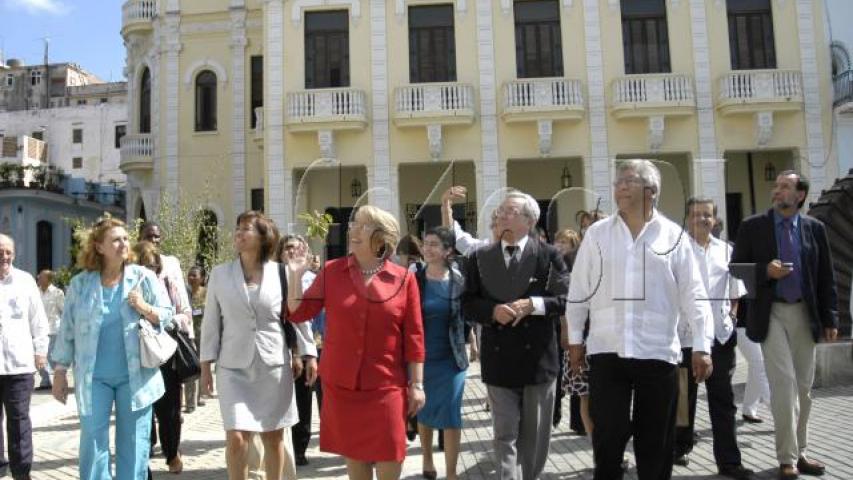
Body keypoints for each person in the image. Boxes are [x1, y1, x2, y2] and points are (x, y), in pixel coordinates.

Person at [566, 160, 714, 480]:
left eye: (629, 180)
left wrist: (702, 345)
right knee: (608, 435)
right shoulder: (597, 235)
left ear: (652, 190)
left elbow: (694, 294)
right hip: (607, 349)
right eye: (618, 180)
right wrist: (575, 340)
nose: (620, 185)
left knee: (656, 441)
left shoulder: (674, 236)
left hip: (657, 350)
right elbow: (579, 290)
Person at [286, 205, 425, 480]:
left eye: (363, 225)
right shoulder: (331, 272)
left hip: (387, 386)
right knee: (356, 468)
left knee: (390, 459)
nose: (353, 230)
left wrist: (417, 385)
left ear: (382, 237)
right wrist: (294, 275)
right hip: (343, 387)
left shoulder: (404, 279)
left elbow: (414, 337)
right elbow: (299, 312)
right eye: (354, 224)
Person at [730, 171, 839, 480]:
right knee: (784, 383)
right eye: (776, 186)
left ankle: (801, 451)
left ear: (799, 196)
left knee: (804, 388)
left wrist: (831, 317)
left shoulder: (815, 229)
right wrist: (766, 271)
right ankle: (786, 458)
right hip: (771, 313)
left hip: (806, 313)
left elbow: (826, 275)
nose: (777, 191)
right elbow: (736, 267)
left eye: (785, 187)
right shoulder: (754, 227)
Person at [50, 216, 175, 480]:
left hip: (137, 376)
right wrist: (60, 372)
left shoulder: (144, 277)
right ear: (99, 247)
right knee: (93, 443)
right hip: (93, 377)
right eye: (116, 240)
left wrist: (144, 307)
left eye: (126, 238)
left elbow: (167, 314)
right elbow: (67, 331)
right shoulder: (80, 284)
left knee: (134, 442)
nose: (123, 244)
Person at [462, 190, 569, 480]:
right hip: (499, 361)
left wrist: (534, 305)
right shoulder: (480, 257)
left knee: (533, 439)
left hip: (538, 363)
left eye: (509, 211)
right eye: (500, 211)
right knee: (504, 434)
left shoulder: (549, 256)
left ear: (528, 220)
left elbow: (567, 298)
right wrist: (491, 311)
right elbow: (467, 303)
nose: (501, 215)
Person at [199, 211, 305, 480]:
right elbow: (210, 323)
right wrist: (204, 366)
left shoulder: (281, 273)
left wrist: (307, 353)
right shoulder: (220, 274)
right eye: (237, 228)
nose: (239, 233)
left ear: (263, 236)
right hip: (232, 367)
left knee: (273, 437)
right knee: (236, 437)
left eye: (246, 229)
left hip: (273, 366)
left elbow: (297, 315)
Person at [672, 198, 753, 479]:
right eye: (696, 214)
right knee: (683, 396)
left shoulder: (727, 251)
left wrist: (731, 315)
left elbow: (736, 292)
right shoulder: (677, 250)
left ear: (716, 220)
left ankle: (729, 461)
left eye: (707, 215)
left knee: (723, 399)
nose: (702, 219)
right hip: (685, 335)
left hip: (719, 336)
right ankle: (679, 447)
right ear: (687, 218)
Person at [133, 241, 193, 474]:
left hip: (163, 352)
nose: (150, 271)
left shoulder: (164, 284)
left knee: (170, 409)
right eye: (145, 265)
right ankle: (143, 456)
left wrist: (148, 311)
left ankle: (171, 452)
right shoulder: (126, 284)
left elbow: (175, 315)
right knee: (142, 407)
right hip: (135, 355)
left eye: (154, 267)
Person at [415, 227, 468, 480]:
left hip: (452, 358)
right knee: (424, 409)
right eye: (426, 244)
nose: (428, 248)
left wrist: (474, 340)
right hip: (422, 358)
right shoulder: (415, 280)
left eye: (434, 244)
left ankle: (451, 472)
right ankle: (426, 458)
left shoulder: (459, 280)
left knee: (451, 412)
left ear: (448, 250)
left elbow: (465, 315)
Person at [0, 234, 48, 480]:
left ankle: (22, 472)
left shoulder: (25, 281)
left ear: (14, 254)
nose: (4, 256)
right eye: (0, 251)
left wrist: (41, 352)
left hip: (18, 365)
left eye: (7, 251)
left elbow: (38, 320)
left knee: (19, 421)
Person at [276, 234, 319, 467]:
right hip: (276, 350)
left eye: (296, 248)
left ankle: (300, 448)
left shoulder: (312, 280)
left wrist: (310, 353)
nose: (291, 252)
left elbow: (313, 320)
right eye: (287, 248)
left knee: (303, 402)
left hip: (304, 347)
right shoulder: (271, 277)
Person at [735, 301, 770, 423]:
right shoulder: (737, 281)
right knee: (760, 367)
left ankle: (748, 410)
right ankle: (780, 415)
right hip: (740, 327)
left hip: (754, 327)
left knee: (755, 368)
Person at [36, 269, 65, 391]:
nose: (38, 278)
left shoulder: (57, 293)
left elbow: (65, 310)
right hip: (38, 330)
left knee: (52, 357)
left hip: (54, 329)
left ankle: (59, 378)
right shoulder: (35, 292)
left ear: (48, 279)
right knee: (39, 355)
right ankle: (45, 380)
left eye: (41, 277)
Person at [184, 265, 207, 413]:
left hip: (203, 334)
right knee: (190, 367)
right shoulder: (183, 291)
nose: (191, 278)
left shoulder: (207, 293)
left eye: (195, 275)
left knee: (201, 367)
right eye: (189, 275)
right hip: (187, 334)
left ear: (202, 278)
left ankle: (199, 397)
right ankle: (190, 403)